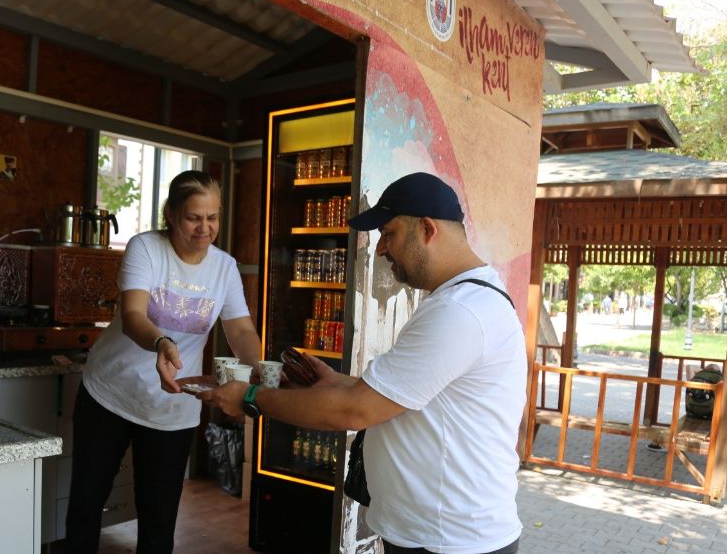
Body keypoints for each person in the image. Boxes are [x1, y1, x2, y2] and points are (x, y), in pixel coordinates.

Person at [199, 172, 527, 554]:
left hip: (450, 541)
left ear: (427, 229)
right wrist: (337, 382)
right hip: (436, 533)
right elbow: (411, 395)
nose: (380, 250)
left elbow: (357, 411)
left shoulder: (459, 311)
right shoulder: (464, 299)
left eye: (388, 233)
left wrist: (251, 397)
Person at [65, 170, 261, 554]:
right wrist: (160, 341)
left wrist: (259, 370)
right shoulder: (146, 248)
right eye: (193, 217)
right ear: (171, 214)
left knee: (158, 524)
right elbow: (134, 314)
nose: (204, 228)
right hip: (110, 395)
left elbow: (240, 331)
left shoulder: (224, 268)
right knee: (86, 507)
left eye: (213, 217)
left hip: (172, 406)